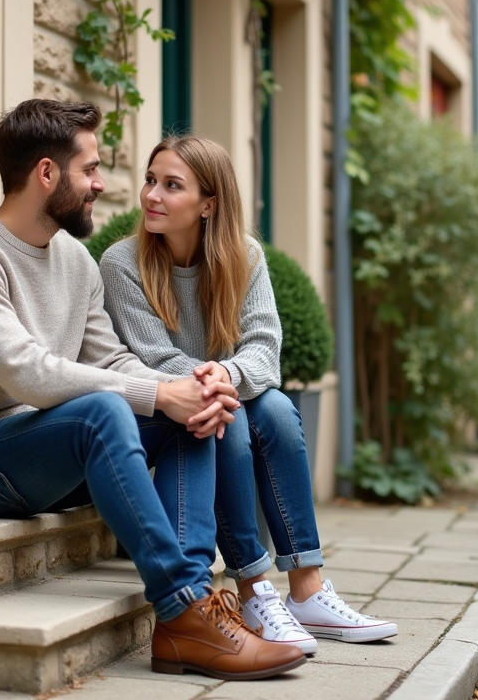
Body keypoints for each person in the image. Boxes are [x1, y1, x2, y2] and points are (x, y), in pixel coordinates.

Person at [0, 100, 306, 680]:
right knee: (106, 413)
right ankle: (183, 606)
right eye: (89, 170)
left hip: (45, 448)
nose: (102, 184)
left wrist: (184, 389)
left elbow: (110, 358)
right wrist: (160, 393)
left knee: (184, 411)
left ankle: (188, 616)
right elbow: (30, 374)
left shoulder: (73, 258)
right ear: (47, 174)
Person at [100, 135, 398, 654]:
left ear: (209, 204)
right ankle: (253, 587)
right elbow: (152, 357)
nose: (152, 195)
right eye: (151, 180)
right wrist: (215, 385)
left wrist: (225, 377)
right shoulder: (123, 263)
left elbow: (265, 347)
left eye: (172, 185)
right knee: (229, 419)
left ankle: (307, 587)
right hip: (168, 407)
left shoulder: (245, 256)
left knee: (279, 409)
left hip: (225, 389)